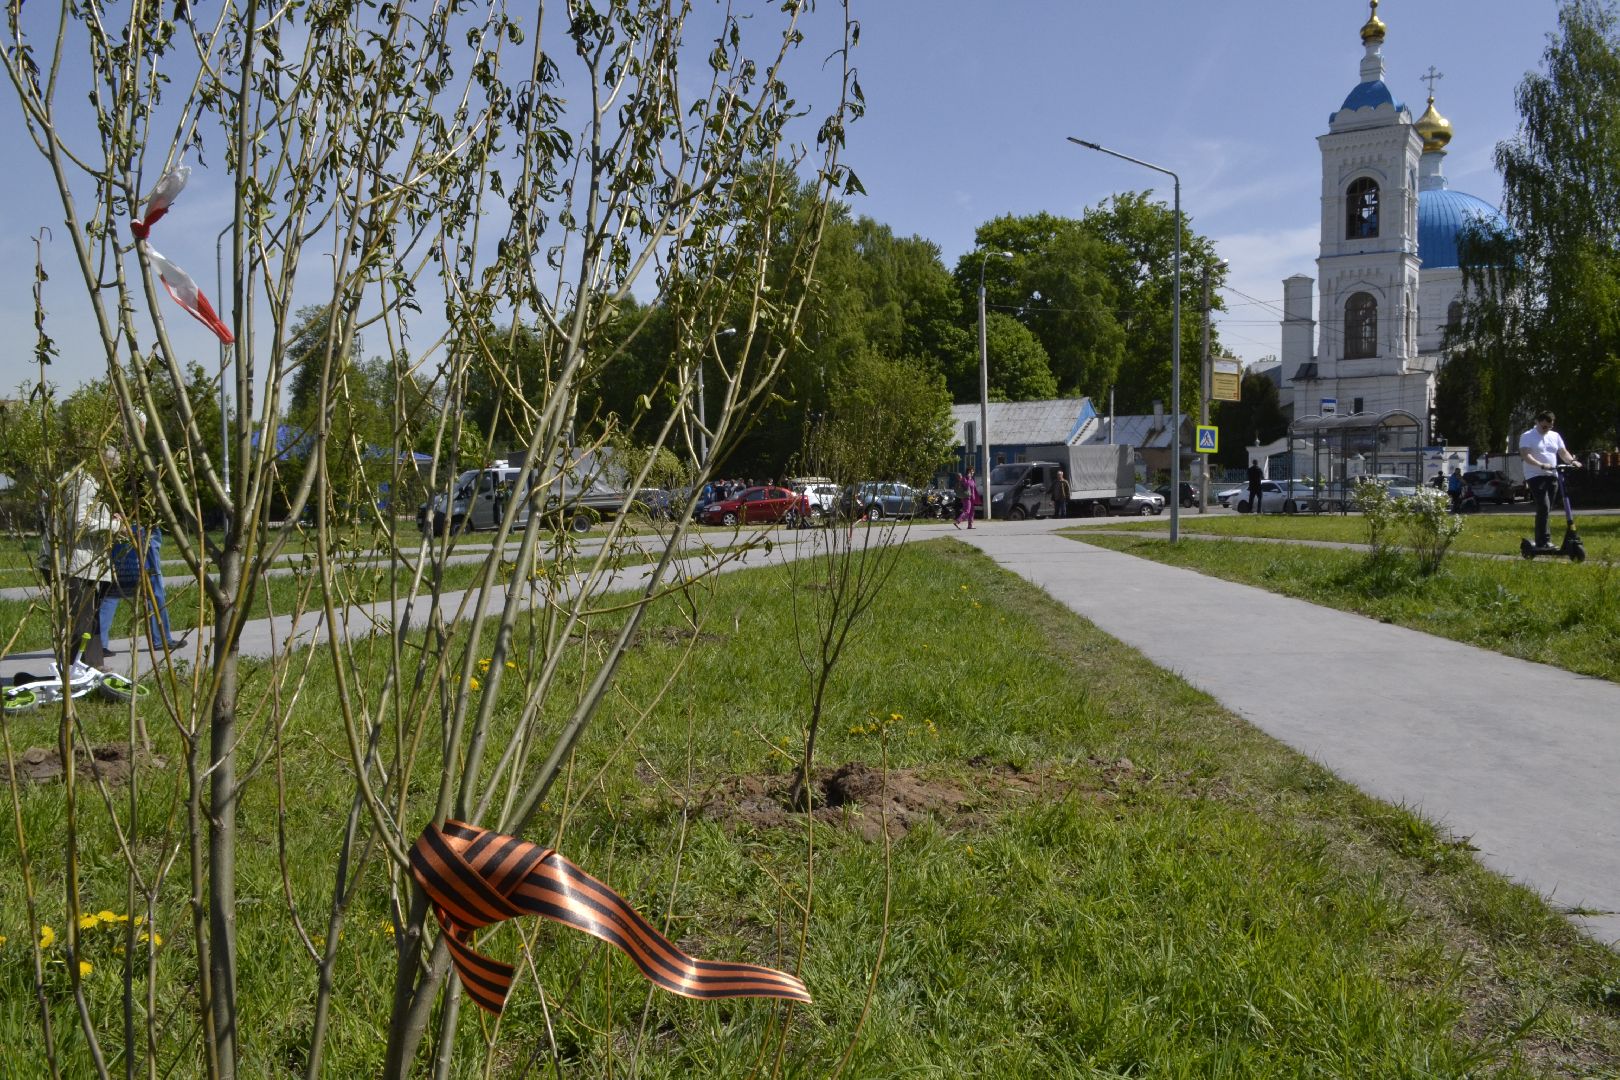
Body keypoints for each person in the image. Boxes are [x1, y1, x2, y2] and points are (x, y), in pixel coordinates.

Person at [42, 449, 123, 670]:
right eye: (113, 471)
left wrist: (108, 518)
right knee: (79, 621)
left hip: (81, 562)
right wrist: (115, 526)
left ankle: (93, 667)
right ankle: (72, 672)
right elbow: (78, 524)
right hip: (74, 563)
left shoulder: (87, 482)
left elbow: (86, 516)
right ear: (102, 465)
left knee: (90, 619)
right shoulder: (85, 483)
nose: (113, 476)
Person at [1518, 410, 1581, 549]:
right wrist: (1540, 465)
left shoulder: (1555, 436)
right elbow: (1526, 455)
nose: (1547, 429)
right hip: (1535, 474)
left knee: (1547, 509)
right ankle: (1543, 541)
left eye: (1550, 426)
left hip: (1552, 474)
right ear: (1537, 422)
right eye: (1544, 426)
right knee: (1544, 506)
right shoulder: (1527, 436)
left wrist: (1572, 461)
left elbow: (1563, 452)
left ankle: (1542, 540)